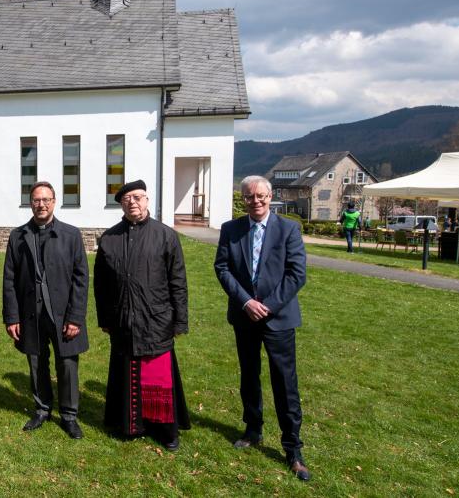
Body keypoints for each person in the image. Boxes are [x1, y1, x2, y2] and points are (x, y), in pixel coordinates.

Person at [214, 175, 311, 482]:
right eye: (248, 197)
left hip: (277, 318)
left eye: (260, 196)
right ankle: (253, 429)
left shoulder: (288, 229)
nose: (255, 201)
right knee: (249, 375)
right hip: (244, 316)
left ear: (271, 196)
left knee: (284, 381)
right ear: (242, 199)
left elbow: (296, 274)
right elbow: (222, 267)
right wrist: (245, 302)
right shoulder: (231, 229)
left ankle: (293, 447)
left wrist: (267, 305)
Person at [94, 180, 191, 450]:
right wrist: (105, 319)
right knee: (126, 375)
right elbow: (100, 285)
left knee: (156, 378)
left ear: (147, 200)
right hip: (122, 319)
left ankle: (164, 431)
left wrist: (179, 320)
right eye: (126, 200)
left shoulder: (165, 235)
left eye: (137, 197)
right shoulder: (110, 239)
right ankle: (130, 425)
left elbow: (178, 281)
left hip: (156, 319)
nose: (132, 202)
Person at [3, 181, 89, 439]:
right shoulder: (17, 236)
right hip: (31, 312)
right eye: (36, 200)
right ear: (31, 203)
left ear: (54, 202)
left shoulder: (71, 235)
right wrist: (12, 316)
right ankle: (42, 409)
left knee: (67, 364)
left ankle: (69, 415)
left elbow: (81, 278)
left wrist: (75, 317)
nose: (41, 204)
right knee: (36, 362)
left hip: (63, 313)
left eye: (46, 199)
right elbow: (9, 278)